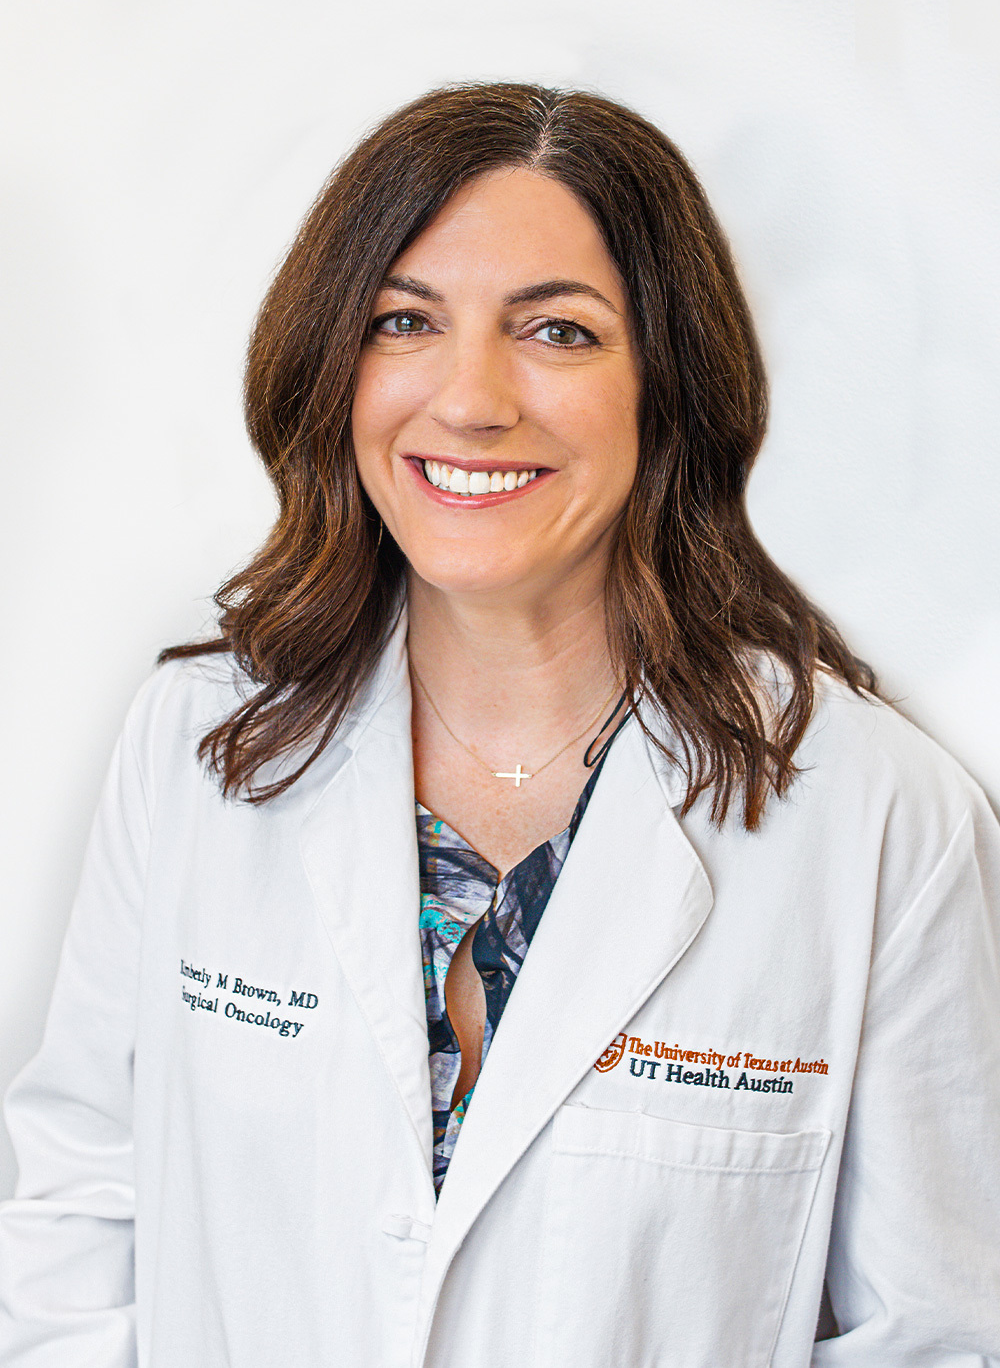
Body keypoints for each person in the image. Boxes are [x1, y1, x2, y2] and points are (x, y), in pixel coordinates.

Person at [1, 81, 998, 1367]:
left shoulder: (878, 819)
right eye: (404, 320)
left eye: (558, 333)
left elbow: (941, 1332)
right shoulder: (197, 748)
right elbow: (79, 1203)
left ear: (669, 384)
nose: (470, 399)